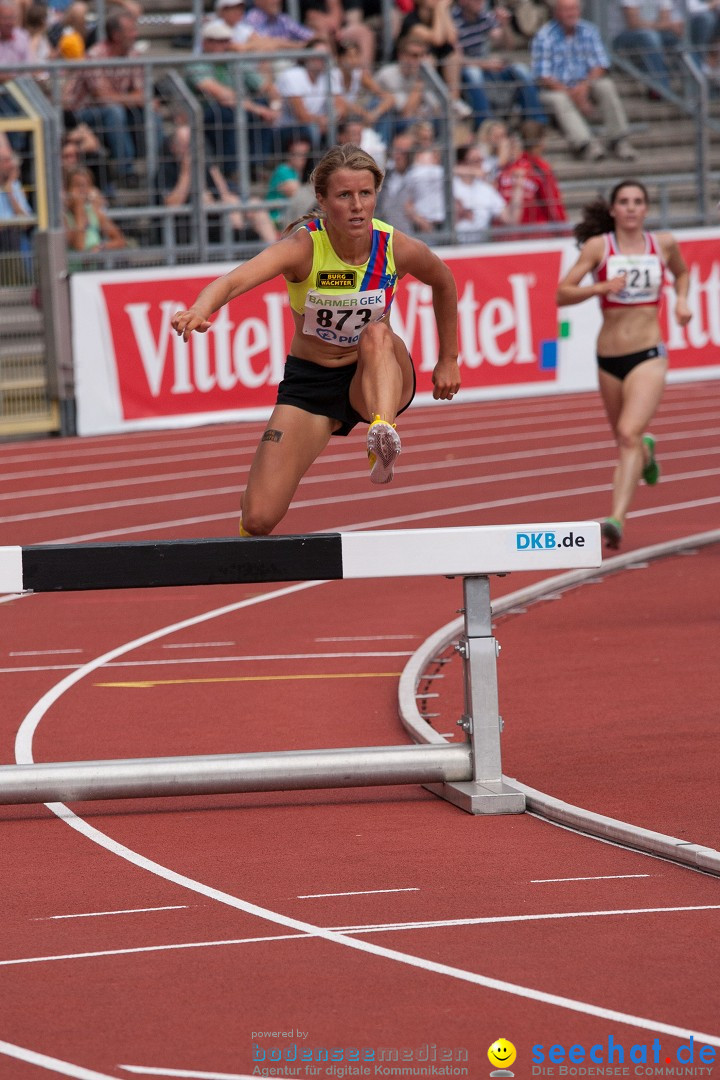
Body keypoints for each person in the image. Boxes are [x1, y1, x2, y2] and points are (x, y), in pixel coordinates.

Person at [171, 143, 460, 537]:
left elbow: (443, 281)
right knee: (258, 518)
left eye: (365, 194)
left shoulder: (394, 246)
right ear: (322, 200)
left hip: (376, 373)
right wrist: (200, 310)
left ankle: (382, 434)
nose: (357, 206)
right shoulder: (303, 248)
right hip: (311, 383)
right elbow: (234, 280)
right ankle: (264, 499)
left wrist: (449, 358)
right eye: (344, 196)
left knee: (375, 332)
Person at [555, 180, 691, 550]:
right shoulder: (600, 247)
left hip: (648, 353)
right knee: (626, 439)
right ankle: (647, 449)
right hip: (608, 357)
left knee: (627, 433)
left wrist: (681, 302)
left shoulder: (662, 244)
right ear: (613, 210)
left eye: (638, 202)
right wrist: (598, 288)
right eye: (624, 202)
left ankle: (614, 519)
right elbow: (562, 294)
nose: (631, 208)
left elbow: (682, 273)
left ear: (646, 209)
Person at [531, 0, 637, 162]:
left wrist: (583, 88)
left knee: (606, 85)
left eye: (574, 9)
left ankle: (619, 139)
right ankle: (586, 144)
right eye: (566, 10)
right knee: (559, 99)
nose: (571, 13)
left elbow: (601, 64)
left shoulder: (589, 30)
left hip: (584, 85)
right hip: (555, 90)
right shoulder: (544, 35)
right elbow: (543, 76)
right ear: (557, 13)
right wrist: (574, 95)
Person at [496, 120, 567, 234]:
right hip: (536, 235)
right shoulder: (540, 169)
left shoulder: (507, 168)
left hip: (506, 235)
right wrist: (564, 231)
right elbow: (552, 206)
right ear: (542, 141)